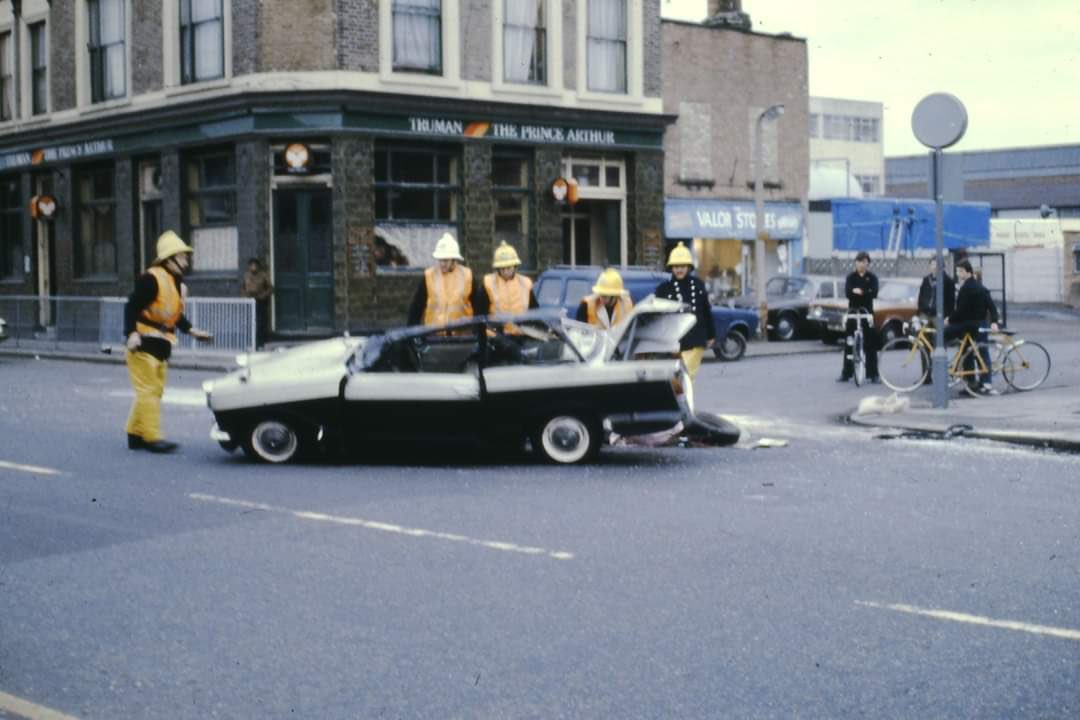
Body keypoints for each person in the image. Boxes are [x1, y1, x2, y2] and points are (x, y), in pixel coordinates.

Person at [124, 230, 213, 453]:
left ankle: (135, 434)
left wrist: (192, 330)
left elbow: (174, 314)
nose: (186, 260)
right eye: (182, 256)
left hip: (162, 344)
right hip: (144, 342)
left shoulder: (175, 282)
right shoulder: (151, 279)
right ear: (169, 259)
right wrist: (131, 334)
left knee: (152, 391)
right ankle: (153, 438)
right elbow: (132, 306)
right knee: (148, 391)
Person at [654, 242, 715, 380]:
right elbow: (657, 316)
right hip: (674, 340)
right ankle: (682, 401)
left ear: (688, 267)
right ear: (671, 268)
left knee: (686, 376)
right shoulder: (663, 289)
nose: (679, 270)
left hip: (695, 338)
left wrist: (711, 335)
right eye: (676, 266)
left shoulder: (698, 285)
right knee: (677, 380)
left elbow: (706, 311)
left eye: (682, 266)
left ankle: (685, 401)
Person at [407, 232, 488, 328]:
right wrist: (411, 333)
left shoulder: (467, 276)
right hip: (434, 335)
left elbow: (478, 308)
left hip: (463, 337)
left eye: (445, 260)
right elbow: (416, 308)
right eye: (440, 260)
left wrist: (478, 332)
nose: (442, 264)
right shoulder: (429, 276)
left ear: (454, 259)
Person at [946, 260, 1000, 393]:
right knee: (978, 351)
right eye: (958, 271)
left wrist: (950, 320)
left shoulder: (967, 288)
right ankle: (982, 383)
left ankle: (975, 383)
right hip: (979, 324)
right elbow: (992, 306)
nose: (958, 274)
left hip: (970, 325)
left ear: (968, 272)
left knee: (974, 351)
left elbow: (961, 310)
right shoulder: (980, 288)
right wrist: (994, 321)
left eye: (960, 271)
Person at [838, 251, 879, 382]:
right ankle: (846, 373)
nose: (862, 264)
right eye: (860, 261)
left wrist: (861, 291)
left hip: (867, 313)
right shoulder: (850, 277)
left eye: (865, 262)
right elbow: (848, 293)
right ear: (856, 263)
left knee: (871, 344)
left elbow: (874, 293)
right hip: (853, 313)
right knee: (849, 343)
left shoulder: (872, 278)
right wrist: (862, 292)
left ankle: (873, 374)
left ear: (868, 264)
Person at [916, 256, 955, 383]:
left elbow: (951, 301)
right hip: (926, 315)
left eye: (937, 264)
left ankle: (943, 375)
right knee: (923, 344)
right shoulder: (926, 280)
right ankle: (925, 376)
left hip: (940, 316)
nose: (934, 267)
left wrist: (948, 316)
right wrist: (921, 311)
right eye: (932, 264)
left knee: (941, 345)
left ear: (942, 267)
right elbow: (921, 297)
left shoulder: (948, 281)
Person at [483, 241, 539, 320]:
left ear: (515, 267)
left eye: (509, 268)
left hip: (520, 331)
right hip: (496, 331)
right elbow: (480, 314)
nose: (505, 272)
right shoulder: (488, 284)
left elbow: (534, 311)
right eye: (502, 268)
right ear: (497, 268)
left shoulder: (525, 284)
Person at [241, 257, 274, 349]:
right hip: (249, 302)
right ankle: (250, 342)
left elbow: (270, 288)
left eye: (255, 265)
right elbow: (243, 288)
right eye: (251, 265)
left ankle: (260, 343)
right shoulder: (246, 275)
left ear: (258, 266)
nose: (253, 267)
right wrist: (244, 296)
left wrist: (263, 295)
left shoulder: (263, 275)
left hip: (260, 301)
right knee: (250, 322)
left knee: (260, 323)